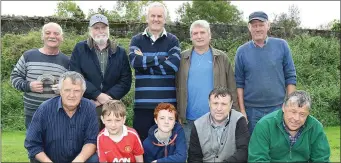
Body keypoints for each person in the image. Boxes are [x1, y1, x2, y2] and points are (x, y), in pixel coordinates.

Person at [176, 20, 239, 146]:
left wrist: (235, 113)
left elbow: (232, 87)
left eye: (202, 32)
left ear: (209, 35)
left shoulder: (221, 57)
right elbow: (175, 87)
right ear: (191, 37)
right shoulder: (181, 58)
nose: (199, 36)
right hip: (188, 119)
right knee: (192, 155)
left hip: (217, 117)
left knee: (216, 154)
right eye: (195, 33)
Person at [234, 11, 297, 134]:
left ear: (268, 26)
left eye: (261, 25)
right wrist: (242, 110)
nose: (257, 29)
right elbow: (239, 83)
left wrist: (289, 105)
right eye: (254, 25)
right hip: (252, 111)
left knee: (279, 147)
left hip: (278, 107)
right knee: (255, 148)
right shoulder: (241, 51)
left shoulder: (282, 45)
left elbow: (290, 77)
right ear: (249, 28)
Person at [70, 13, 132, 130]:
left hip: (112, 109)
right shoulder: (80, 49)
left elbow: (126, 81)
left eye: (103, 27)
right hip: (87, 105)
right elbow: (76, 76)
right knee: (88, 142)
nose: (100, 31)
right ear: (90, 30)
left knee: (112, 143)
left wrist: (107, 98)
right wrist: (97, 95)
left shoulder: (120, 52)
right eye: (96, 28)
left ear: (108, 29)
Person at [129, 2, 181, 141]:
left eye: (160, 16)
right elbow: (135, 62)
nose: (156, 19)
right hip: (143, 106)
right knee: (143, 147)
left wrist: (145, 62)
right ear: (147, 18)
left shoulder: (173, 40)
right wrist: (161, 58)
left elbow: (173, 66)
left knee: (167, 147)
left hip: (167, 107)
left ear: (164, 19)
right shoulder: (137, 39)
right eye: (153, 16)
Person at [24, 71, 99, 163]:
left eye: (77, 91)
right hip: (49, 159)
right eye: (67, 90)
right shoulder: (44, 109)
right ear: (60, 91)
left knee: (95, 159)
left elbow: (91, 140)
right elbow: (32, 143)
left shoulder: (89, 108)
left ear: (83, 92)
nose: (72, 95)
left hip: (79, 159)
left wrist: (79, 160)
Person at [10, 22, 69, 129]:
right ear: (42, 36)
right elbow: (14, 77)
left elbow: (73, 86)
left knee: (55, 145)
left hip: (56, 113)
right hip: (32, 113)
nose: (52, 36)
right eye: (48, 33)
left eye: (56, 33)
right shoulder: (28, 56)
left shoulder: (67, 61)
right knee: (33, 144)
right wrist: (29, 85)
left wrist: (63, 89)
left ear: (62, 38)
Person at [248, 90, 330, 162]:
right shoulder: (264, 125)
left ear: (308, 114)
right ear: (283, 107)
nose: (296, 118)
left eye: (302, 114)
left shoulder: (315, 127)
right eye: (293, 112)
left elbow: (321, 159)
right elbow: (257, 159)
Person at [188, 87, 249, 162]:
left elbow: (243, 151)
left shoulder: (239, 120)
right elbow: (194, 158)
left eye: (224, 104)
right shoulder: (198, 125)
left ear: (230, 105)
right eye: (215, 103)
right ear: (209, 103)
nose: (219, 108)